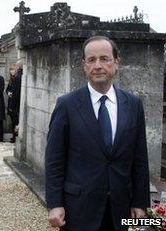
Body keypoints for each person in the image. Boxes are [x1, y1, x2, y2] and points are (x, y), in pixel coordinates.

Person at [45, 36, 150, 231]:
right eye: (91, 60)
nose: (98, 65)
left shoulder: (133, 105)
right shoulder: (67, 105)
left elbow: (140, 157)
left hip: (121, 209)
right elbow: (54, 159)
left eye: (105, 58)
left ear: (116, 63)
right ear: (84, 65)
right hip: (78, 209)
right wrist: (54, 203)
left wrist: (140, 202)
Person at [6, 62, 22, 143]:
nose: (12, 71)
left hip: (15, 103)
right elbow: (7, 89)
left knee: (16, 121)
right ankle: (14, 135)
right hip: (10, 101)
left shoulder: (17, 78)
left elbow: (17, 92)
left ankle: (16, 136)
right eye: (10, 70)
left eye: (13, 69)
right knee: (13, 120)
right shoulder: (11, 79)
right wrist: (8, 92)